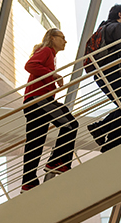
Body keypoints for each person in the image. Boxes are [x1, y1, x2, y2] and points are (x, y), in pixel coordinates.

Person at [22, 29, 79, 192]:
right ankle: (57, 161)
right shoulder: (46, 51)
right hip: (38, 100)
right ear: (52, 38)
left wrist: (52, 79)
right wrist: (53, 76)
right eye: (62, 38)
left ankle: (29, 182)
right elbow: (30, 65)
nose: (65, 41)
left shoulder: (50, 56)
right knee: (70, 124)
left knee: (35, 143)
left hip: (34, 102)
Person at [87, 4, 121, 153]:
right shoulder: (117, 27)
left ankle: (102, 130)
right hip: (113, 72)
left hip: (102, 74)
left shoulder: (102, 28)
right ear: (120, 14)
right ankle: (111, 142)